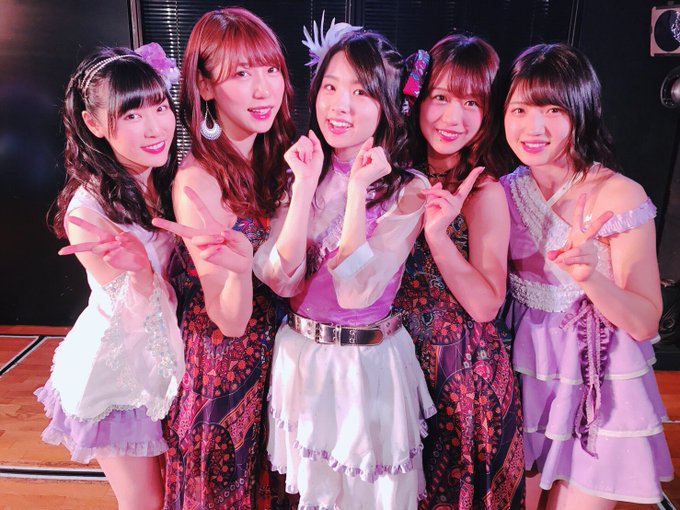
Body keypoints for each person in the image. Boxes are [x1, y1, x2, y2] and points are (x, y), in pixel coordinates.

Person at [253, 21, 436, 510]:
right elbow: (281, 279)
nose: (340, 105)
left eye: (360, 92)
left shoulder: (409, 188)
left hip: (366, 365)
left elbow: (356, 292)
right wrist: (304, 186)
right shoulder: (300, 170)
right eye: (330, 87)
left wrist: (357, 191)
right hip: (301, 357)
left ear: (387, 104)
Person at [501, 43, 673, 509]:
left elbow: (645, 322)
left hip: (597, 382)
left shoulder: (618, 195)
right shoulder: (502, 192)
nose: (533, 128)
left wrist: (591, 278)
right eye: (520, 110)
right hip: (524, 373)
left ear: (581, 112)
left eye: (553, 110)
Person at [150, 7, 296, 509]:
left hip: (278, 363)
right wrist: (238, 274)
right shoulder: (198, 181)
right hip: (224, 374)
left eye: (271, 69)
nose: (264, 89)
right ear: (205, 87)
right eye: (241, 74)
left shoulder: (275, 160)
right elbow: (229, 320)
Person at [35, 44, 184, 510]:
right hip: (121, 373)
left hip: (173, 355)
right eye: (132, 115)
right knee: (145, 502)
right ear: (94, 124)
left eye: (160, 107)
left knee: (176, 491)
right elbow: (133, 312)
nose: (155, 127)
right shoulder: (88, 212)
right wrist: (141, 271)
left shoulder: (164, 178)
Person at [392, 34, 524, 509]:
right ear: (418, 99)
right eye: (442, 97)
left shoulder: (483, 190)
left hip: (461, 375)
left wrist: (438, 237)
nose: (454, 118)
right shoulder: (390, 172)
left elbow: (486, 304)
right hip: (392, 364)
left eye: (471, 103)